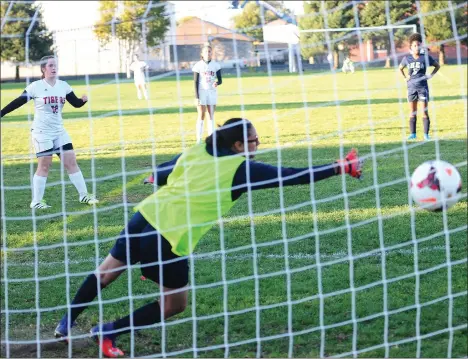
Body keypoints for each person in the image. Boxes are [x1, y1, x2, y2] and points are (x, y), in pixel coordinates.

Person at [53, 118, 363, 358]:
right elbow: (291, 175)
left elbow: (163, 172)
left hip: (143, 217)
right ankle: (107, 332)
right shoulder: (240, 170)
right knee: (174, 304)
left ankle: (65, 323)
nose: (258, 144)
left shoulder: (198, 149)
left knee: (105, 273)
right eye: (255, 140)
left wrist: (157, 178)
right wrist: (339, 167)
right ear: (240, 145)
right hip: (169, 237)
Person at [0, 55, 99, 209]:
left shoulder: (63, 85)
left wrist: (83, 100)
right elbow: (18, 102)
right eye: (51, 65)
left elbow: (75, 103)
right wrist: (2, 112)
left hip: (59, 131)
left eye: (55, 65)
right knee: (45, 165)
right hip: (41, 132)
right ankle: (36, 201)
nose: (54, 68)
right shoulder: (35, 87)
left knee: (71, 162)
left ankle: (84, 196)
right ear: (43, 69)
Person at [399, 32, 440, 141]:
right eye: (414, 45)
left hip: (423, 88)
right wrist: (405, 77)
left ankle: (426, 135)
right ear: (411, 47)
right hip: (411, 88)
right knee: (412, 112)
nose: (417, 47)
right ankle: (413, 134)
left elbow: (437, 66)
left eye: (418, 45)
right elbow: (400, 68)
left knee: (424, 111)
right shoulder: (406, 59)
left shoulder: (425, 58)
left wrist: (431, 75)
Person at [192, 44, 222, 144]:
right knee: (201, 114)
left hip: (212, 92)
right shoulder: (198, 65)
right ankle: (198, 139)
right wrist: (197, 97)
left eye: (209, 51)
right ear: (202, 54)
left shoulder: (216, 65)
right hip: (201, 92)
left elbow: (220, 80)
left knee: (211, 115)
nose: (208, 53)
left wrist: (216, 82)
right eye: (205, 51)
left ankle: (211, 138)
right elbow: (195, 82)